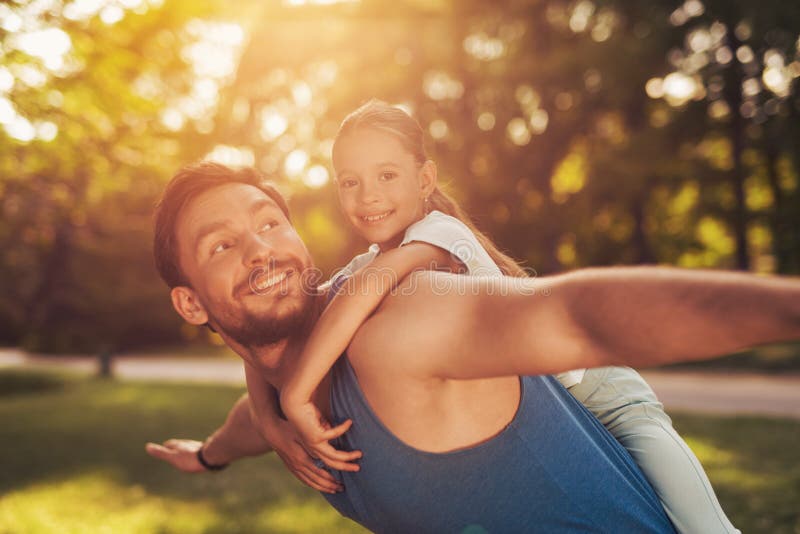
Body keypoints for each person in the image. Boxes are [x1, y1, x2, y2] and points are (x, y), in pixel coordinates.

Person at [145, 161, 800, 533]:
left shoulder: (394, 322)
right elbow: (246, 423)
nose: (261, 249)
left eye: (268, 223)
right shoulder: (286, 405)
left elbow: (576, 316)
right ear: (191, 303)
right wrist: (208, 456)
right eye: (223, 245)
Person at [247, 100, 735, 533]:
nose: (367, 195)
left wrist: (294, 394)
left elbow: (359, 292)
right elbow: (285, 317)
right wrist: (270, 421)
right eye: (350, 182)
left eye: (387, 175)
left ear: (425, 179)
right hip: (560, 424)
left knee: (704, 527)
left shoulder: (439, 235)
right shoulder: (369, 265)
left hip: (604, 398)